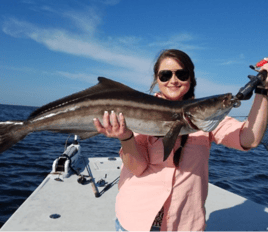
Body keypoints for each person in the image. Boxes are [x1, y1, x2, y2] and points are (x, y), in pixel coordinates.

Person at [93, 49, 268, 232]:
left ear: (191, 79)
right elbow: (137, 168)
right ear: (156, 79)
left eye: (181, 74)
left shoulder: (209, 118)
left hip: (185, 225)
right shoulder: (139, 111)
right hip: (136, 221)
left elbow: (248, 139)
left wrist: (263, 90)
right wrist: (126, 137)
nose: (173, 80)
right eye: (165, 75)